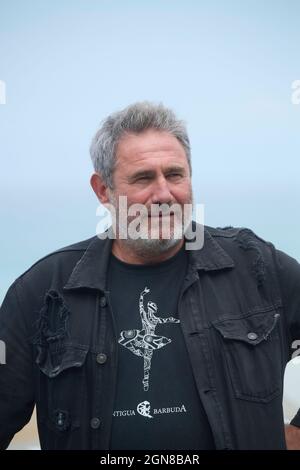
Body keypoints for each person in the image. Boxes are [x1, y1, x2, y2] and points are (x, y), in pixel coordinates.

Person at [0, 102, 300, 450]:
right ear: (102, 189)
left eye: (175, 174)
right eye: (143, 178)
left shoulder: (258, 268)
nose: (163, 194)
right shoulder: (42, 292)